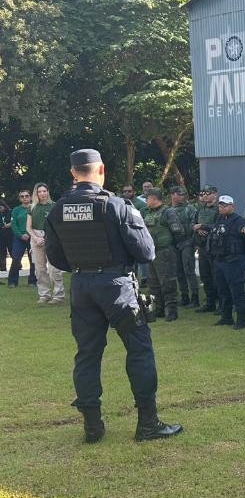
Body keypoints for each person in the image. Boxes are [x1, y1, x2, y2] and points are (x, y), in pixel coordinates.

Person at [44, 148, 182, 444]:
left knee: (87, 355)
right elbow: (146, 251)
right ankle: (148, 424)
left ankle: (92, 427)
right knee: (140, 350)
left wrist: (84, 269)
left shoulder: (58, 209)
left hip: (82, 286)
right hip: (117, 287)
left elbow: (55, 258)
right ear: (101, 170)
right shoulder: (118, 206)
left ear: (73, 173)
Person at [142, 188, 187, 322]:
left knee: (167, 282)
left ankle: (172, 311)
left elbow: (178, 231)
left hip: (164, 251)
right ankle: (159, 310)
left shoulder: (168, 212)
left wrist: (169, 245)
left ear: (154, 198)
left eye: (147, 198)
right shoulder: (148, 213)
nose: (146, 201)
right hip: (152, 252)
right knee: (153, 283)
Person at [209, 195, 245, 329]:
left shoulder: (240, 222)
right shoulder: (219, 220)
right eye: (220, 205)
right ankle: (226, 317)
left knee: (236, 290)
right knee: (222, 290)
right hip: (220, 260)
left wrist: (241, 257)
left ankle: (241, 319)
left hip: (234, 260)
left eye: (225, 205)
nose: (221, 207)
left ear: (232, 207)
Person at [27, 183, 65, 304]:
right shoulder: (32, 207)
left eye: (44, 191)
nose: (42, 194)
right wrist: (36, 238)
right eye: (40, 191)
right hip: (36, 238)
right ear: (36, 193)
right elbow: (28, 227)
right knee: (40, 269)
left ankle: (58, 295)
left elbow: (59, 226)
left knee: (54, 268)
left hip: (51, 237)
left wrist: (48, 237)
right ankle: (44, 294)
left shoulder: (54, 206)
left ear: (48, 192)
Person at [168, 186, 199, 307]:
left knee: (189, 270)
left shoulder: (189, 209)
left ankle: (195, 297)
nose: (183, 197)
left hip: (187, 242)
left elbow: (193, 224)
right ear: (173, 195)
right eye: (180, 194)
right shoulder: (169, 210)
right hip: (174, 244)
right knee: (179, 271)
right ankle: (184, 296)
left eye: (183, 195)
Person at [192, 185, 220, 312]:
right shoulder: (200, 209)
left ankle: (221, 303)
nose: (205, 195)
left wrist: (203, 226)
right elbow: (193, 224)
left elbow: (219, 226)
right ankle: (210, 302)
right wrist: (197, 229)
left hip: (214, 247)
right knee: (205, 276)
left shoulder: (219, 209)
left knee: (217, 276)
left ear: (215, 194)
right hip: (202, 247)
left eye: (208, 193)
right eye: (203, 193)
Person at [8, 188, 36, 287]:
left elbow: (37, 223)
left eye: (26, 196)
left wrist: (30, 234)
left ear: (31, 197)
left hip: (32, 237)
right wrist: (21, 235)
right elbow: (13, 224)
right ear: (19, 198)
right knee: (16, 258)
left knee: (33, 260)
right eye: (22, 196)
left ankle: (32, 281)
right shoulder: (16, 210)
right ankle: (12, 281)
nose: (24, 198)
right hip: (18, 238)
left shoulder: (35, 208)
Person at [0, 198, 12, 274]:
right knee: (1, 252)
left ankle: (17, 266)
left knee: (12, 250)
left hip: (10, 234)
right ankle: (2, 267)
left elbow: (14, 221)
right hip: (1, 235)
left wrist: (8, 225)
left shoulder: (10, 212)